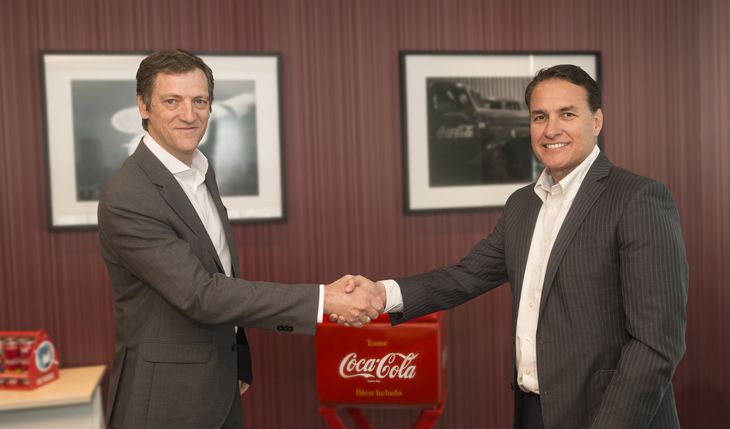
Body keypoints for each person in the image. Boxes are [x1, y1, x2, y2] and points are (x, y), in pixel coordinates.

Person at [339, 65, 689, 428]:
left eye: (567, 114)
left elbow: (656, 345)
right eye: (540, 117)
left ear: (596, 121)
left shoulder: (637, 198)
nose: (551, 129)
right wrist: (381, 295)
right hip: (532, 410)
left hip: (610, 414)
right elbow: (465, 276)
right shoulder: (522, 204)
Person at [98, 48, 383, 429]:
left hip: (218, 385)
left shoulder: (198, 171)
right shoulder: (130, 195)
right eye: (172, 101)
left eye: (200, 101)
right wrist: (323, 299)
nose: (189, 114)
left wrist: (238, 360)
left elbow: (223, 271)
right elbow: (201, 294)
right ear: (143, 106)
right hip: (167, 402)